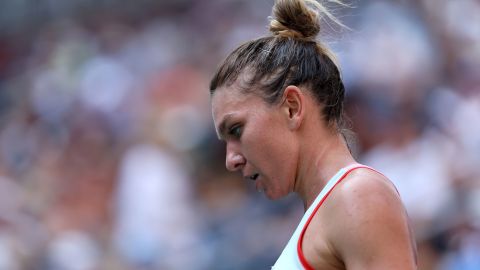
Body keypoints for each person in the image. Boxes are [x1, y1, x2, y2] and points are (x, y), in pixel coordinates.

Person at [209, 0, 418, 269]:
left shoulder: (358, 196)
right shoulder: (330, 208)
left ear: (292, 108)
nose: (231, 160)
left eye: (236, 130)